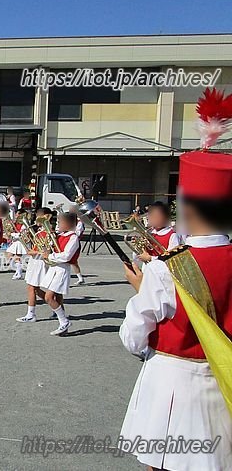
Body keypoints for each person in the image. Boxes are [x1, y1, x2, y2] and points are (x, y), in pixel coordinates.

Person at [119, 146, 232, 470]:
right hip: (226, 384)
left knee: (160, 464)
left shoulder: (165, 268)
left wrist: (142, 290)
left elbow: (134, 338)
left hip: (173, 383)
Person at [39, 211, 80, 335]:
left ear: (68, 223)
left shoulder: (73, 238)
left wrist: (50, 256)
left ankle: (64, 321)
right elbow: (52, 248)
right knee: (57, 297)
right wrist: (47, 245)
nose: (58, 224)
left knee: (49, 297)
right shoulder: (60, 235)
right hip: (54, 268)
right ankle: (63, 326)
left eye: (60, 222)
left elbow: (67, 256)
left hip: (62, 269)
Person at [16, 208, 55, 323]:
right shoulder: (40, 231)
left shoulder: (47, 232)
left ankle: (31, 314)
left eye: (39, 215)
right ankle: (56, 307)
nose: (36, 218)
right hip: (35, 262)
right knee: (36, 289)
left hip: (39, 262)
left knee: (32, 288)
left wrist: (33, 252)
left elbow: (42, 250)